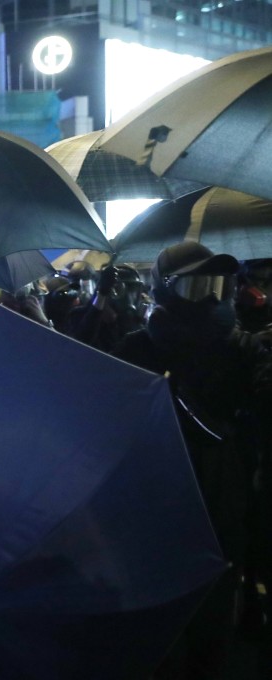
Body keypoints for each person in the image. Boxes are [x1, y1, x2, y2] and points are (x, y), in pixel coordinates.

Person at [113, 241, 272, 680]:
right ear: (165, 291)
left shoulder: (242, 350)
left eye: (217, 286)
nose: (209, 298)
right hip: (151, 513)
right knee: (155, 633)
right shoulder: (137, 350)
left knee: (212, 633)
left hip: (223, 510)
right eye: (197, 285)